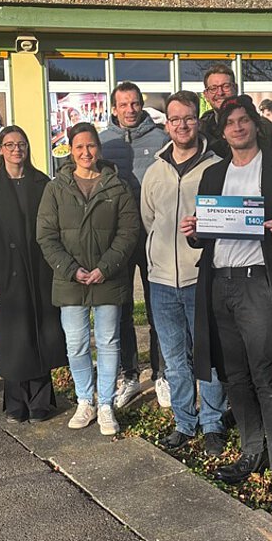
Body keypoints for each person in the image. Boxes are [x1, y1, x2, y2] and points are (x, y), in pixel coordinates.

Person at [181, 94, 272, 522]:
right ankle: (251, 452)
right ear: (221, 132)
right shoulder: (213, 174)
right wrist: (195, 231)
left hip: (260, 285)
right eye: (230, 123)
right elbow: (203, 237)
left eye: (244, 120)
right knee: (236, 378)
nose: (237, 128)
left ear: (255, 125)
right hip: (220, 286)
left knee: (267, 380)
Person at [37, 122, 139, 436]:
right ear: (70, 150)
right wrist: (71, 269)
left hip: (107, 279)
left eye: (91, 146)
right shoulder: (56, 187)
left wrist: (105, 267)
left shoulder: (117, 186)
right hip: (70, 281)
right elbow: (46, 235)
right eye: (79, 147)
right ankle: (86, 400)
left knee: (109, 343)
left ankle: (105, 404)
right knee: (77, 344)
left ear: (99, 148)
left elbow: (128, 231)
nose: (85, 152)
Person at [140, 91, 227, 457]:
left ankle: (212, 423)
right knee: (175, 358)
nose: (181, 125)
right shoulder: (155, 171)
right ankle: (183, 422)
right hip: (161, 281)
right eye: (174, 119)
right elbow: (149, 221)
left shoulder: (216, 167)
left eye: (188, 118)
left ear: (198, 119)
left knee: (207, 356)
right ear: (166, 123)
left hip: (200, 278)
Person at [0, 126, 67, 423]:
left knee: (41, 333)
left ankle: (40, 400)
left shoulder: (43, 183)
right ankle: (15, 401)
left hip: (40, 271)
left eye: (22, 144)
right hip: (5, 274)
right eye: (10, 144)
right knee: (13, 338)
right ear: (1, 149)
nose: (16, 149)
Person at [98, 81, 168, 410]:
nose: (130, 109)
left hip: (154, 236)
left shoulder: (161, 138)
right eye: (123, 104)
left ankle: (162, 373)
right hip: (118, 239)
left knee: (159, 309)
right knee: (122, 310)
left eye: (135, 103)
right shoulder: (102, 142)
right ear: (113, 108)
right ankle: (129, 374)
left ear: (142, 105)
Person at [199, 64, 272, 158]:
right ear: (206, 95)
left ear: (236, 89)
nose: (220, 93)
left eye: (226, 86)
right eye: (213, 88)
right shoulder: (203, 129)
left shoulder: (264, 127)